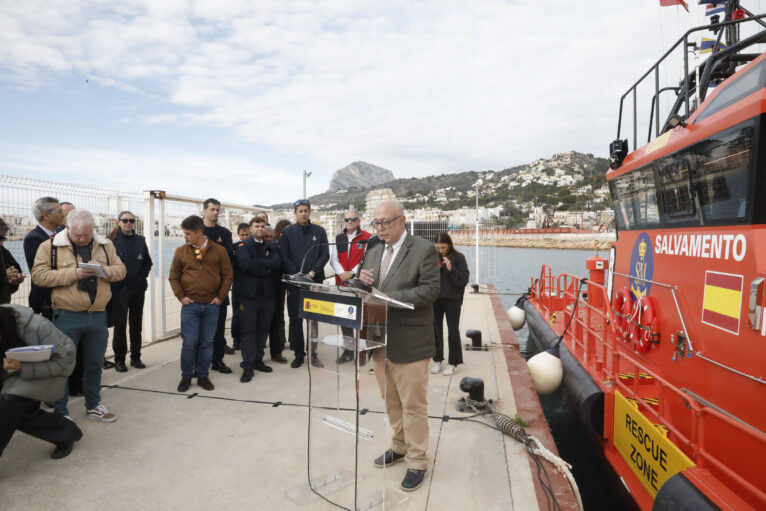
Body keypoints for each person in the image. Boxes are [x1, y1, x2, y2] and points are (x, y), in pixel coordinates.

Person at [359, 200, 439, 492]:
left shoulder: (423, 249)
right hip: (380, 338)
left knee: (413, 405)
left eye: (385, 223)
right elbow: (366, 288)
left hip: (411, 341)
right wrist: (361, 282)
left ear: (402, 221)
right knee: (391, 401)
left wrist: (387, 295)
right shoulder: (374, 250)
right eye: (376, 223)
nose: (379, 228)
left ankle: (418, 461)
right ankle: (400, 445)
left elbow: (431, 289)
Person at [31, 208, 127, 422]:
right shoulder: (50, 247)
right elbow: (38, 276)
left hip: (98, 316)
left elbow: (121, 271)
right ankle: (60, 413)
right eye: (77, 235)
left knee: (94, 365)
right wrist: (74, 273)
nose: (82, 239)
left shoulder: (106, 245)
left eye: (86, 234)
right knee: (62, 367)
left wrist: (103, 270)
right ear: (67, 227)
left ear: (93, 228)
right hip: (66, 316)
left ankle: (93, 405)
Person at [0, 304, 83, 459]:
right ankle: (66, 432)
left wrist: (21, 367)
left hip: (51, 365)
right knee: (16, 413)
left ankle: (66, 432)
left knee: (11, 405)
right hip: (13, 366)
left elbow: (60, 364)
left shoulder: (38, 327)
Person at [169, 215, 233, 393]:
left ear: (199, 232)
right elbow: (174, 276)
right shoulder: (181, 251)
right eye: (184, 233)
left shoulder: (219, 250)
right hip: (190, 306)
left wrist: (220, 297)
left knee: (207, 342)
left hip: (212, 305)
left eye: (188, 233)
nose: (185, 237)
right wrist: (181, 297)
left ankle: (203, 376)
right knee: (189, 343)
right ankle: (186, 376)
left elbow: (228, 275)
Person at [280, 200, 329, 368]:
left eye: (306, 210)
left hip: (314, 282)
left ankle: (313, 354)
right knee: (295, 319)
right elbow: (284, 255)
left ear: (309, 212)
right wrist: (297, 275)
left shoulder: (319, 231)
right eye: (300, 211)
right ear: (295, 213)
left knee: (313, 320)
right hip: (295, 284)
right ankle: (299, 354)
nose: (303, 213)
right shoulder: (287, 233)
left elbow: (325, 254)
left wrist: (311, 273)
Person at [233, 217, 281, 383]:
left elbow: (276, 263)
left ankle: (258, 360)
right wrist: (265, 267)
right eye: (257, 226)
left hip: (267, 296)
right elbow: (246, 264)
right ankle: (247, 366)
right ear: (251, 228)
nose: (260, 228)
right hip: (248, 297)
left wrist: (260, 265)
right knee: (248, 332)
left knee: (263, 330)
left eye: (262, 226)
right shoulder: (242, 246)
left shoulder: (271, 246)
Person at [108, 211, 153, 372]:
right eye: (125, 220)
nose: (129, 223)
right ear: (118, 222)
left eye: (131, 221)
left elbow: (148, 262)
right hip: (119, 290)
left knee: (136, 325)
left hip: (137, 288)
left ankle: (136, 357)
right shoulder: (110, 241)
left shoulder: (140, 240)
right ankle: (119, 360)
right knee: (120, 326)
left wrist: (142, 277)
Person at [330, 209, 372, 364]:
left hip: (359, 283)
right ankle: (348, 351)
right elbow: (334, 259)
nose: (349, 222)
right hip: (342, 283)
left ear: (358, 221)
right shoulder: (339, 238)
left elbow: (367, 259)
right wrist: (342, 273)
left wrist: (352, 273)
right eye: (347, 219)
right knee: (344, 318)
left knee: (362, 319)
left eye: (353, 219)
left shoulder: (367, 238)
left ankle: (362, 351)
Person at [201, 198, 236, 374]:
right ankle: (199, 364)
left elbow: (228, 261)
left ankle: (217, 360)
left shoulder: (225, 233)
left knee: (219, 326)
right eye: (212, 209)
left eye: (217, 210)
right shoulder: (196, 231)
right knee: (201, 329)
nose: (215, 212)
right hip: (200, 289)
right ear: (205, 210)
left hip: (219, 288)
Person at [430, 233, 469, 376]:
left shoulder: (459, 258)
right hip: (436, 298)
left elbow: (463, 280)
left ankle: (454, 363)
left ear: (449, 245)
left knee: (453, 330)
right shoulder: (433, 257)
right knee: (436, 329)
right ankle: (437, 359)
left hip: (453, 299)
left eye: (443, 247)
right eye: (438, 247)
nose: (441, 250)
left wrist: (451, 268)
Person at [23, 197, 63, 317]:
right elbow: (42, 273)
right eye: (59, 212)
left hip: (60, 299)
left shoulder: (61, 235)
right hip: (45, 301)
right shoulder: (34, 238)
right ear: (46, 215)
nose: (63, 215)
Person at [267, 220, 291, 364]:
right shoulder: (253, 249)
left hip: (277, 290)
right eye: (266, 237)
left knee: (277, 321)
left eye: (270, 237)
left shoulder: (279, 249)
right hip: (260, 293)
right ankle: (256, 356)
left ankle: (277, 351)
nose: (268, 239)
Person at [231, 222, 251, 351]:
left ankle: (247, 339)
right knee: (237, 314)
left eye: (246, 234)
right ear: (238, 234)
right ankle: (236, 340)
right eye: (242, 235)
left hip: (251, 287)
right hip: (238, 285)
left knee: (249, 315)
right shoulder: (234, 247)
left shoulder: (254, 246)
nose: (244, 237)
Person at [0, 218, 24, 303]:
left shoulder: (4, 252)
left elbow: (16, 269)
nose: (2, 243)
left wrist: (15, 280)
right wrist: (4, 277)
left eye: (3, 239)